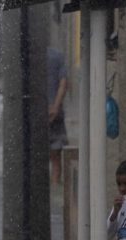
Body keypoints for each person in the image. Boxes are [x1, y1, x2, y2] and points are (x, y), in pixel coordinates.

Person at [48, 47, 69, 186]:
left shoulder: (28, 57)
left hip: (35, 115)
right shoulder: (57, 56)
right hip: (55, 114)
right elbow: (64, 83)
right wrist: (55, 106)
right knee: (56, 157)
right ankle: (55, 186)